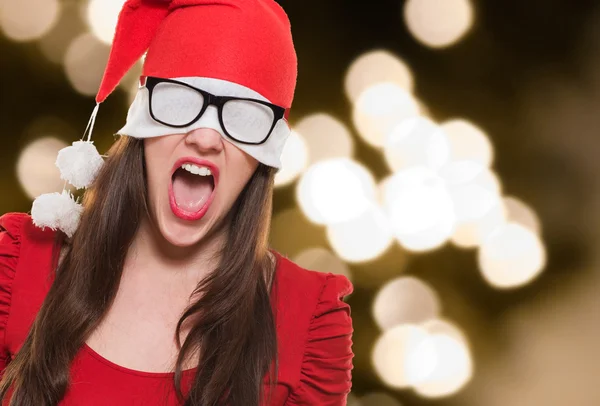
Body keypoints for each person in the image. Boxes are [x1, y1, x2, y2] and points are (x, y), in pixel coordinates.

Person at [0, 0, 354, 405]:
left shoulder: (308, 323)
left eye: (243, 116)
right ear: (143, 120)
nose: (204, 139)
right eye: (181, 102)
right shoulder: (18, 267)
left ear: (266, 151)